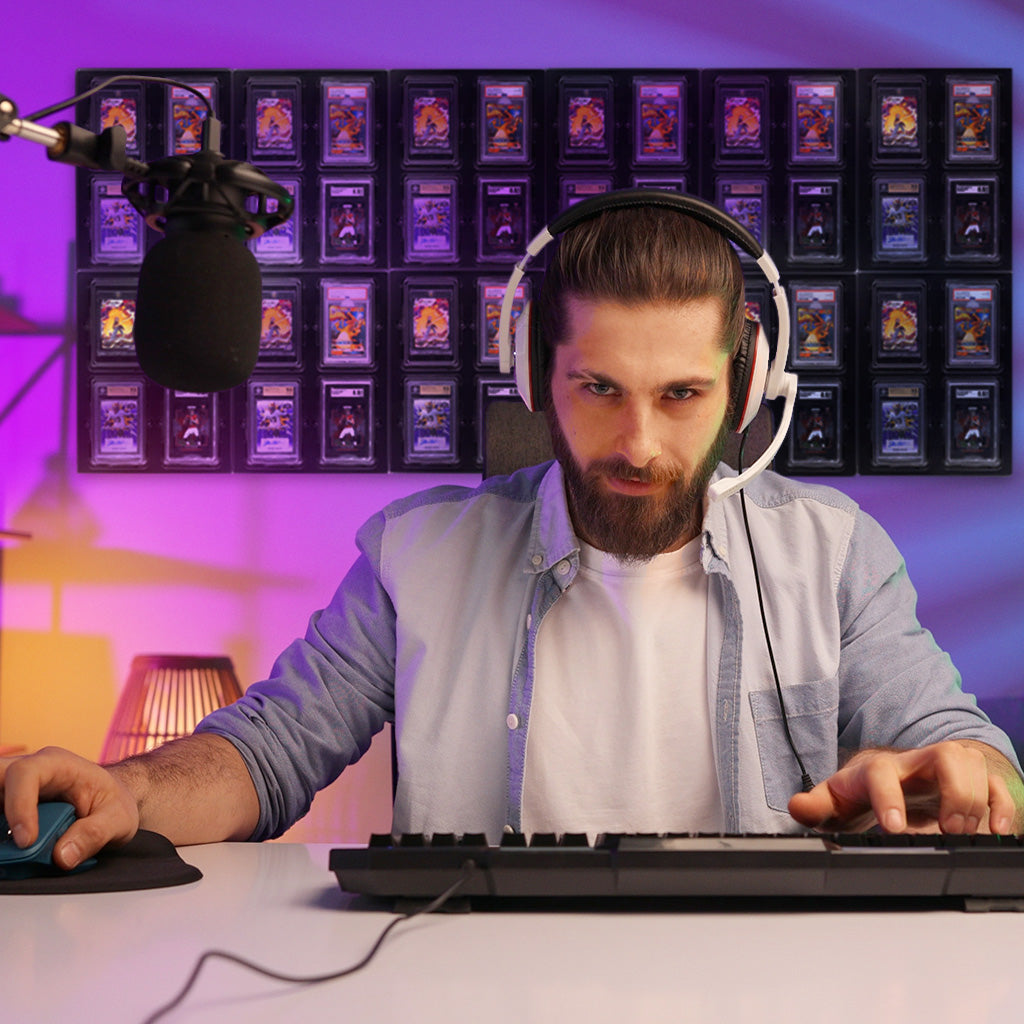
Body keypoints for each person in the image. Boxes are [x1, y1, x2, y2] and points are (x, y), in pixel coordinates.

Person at [3, 200, 1022, 870]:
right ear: (535, 373)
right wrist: (128, 789)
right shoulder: (418, 557)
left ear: (744, 387)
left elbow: (970, 752)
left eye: (681, 395)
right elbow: (267, 754)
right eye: (599, 388)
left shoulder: (833, 553)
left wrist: (972, 774)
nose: (639, 442)